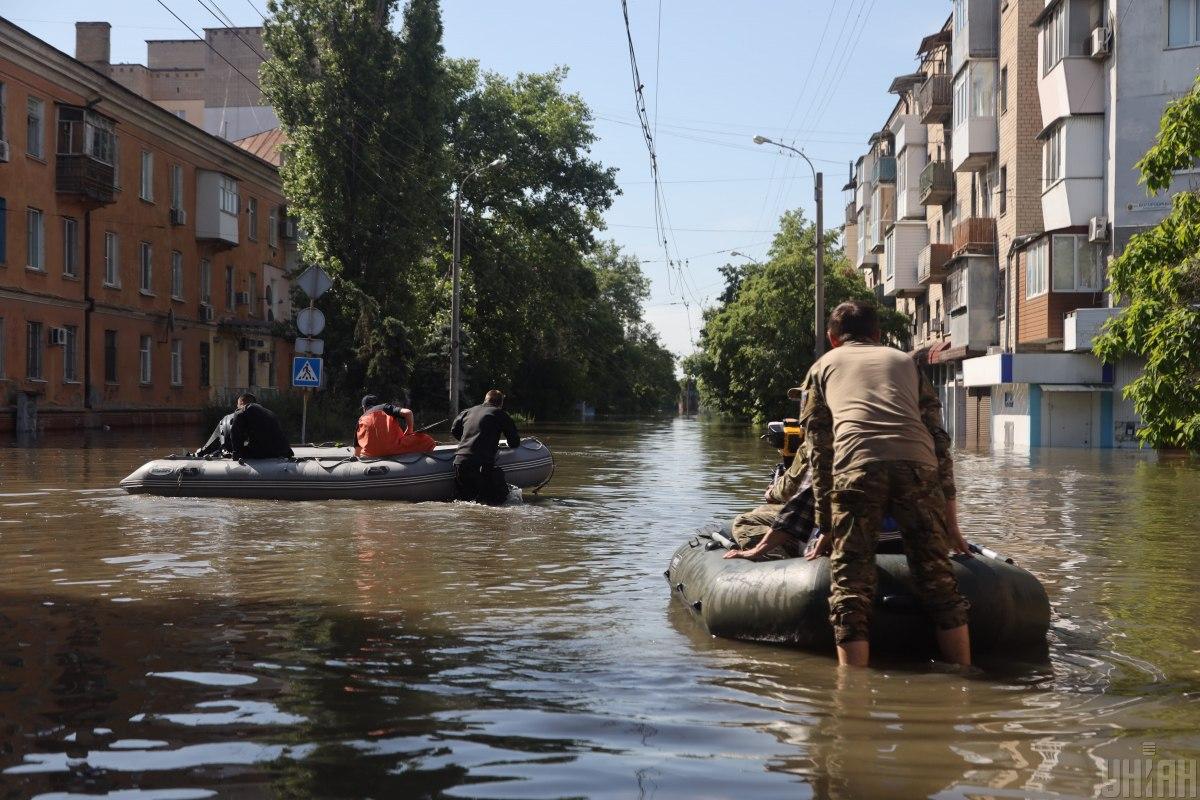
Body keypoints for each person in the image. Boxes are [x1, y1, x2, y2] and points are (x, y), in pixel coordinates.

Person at [784, 300, 971, 668]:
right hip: (919, 466)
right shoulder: (905, 363)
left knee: (851, 589)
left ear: (832, 338)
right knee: (939, 583)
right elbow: (939, 443)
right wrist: (951, 524)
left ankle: (852, 694)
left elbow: (819, 453)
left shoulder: (821, 368)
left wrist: (826, 524)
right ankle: (967, 677)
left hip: (857, 467)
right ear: (879, 334)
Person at [450, 389, 521, 505]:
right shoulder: (500, 414)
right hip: (481, 465)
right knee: (498, 501)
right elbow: (514, 442)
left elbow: (454, 430)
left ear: (485, 399)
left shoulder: (468, 411)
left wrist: (467, 441)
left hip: (460, 462)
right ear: (501, 403)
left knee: (465, 503)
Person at [355, 394, 437, 457]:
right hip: (393, 448)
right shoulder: (384, 407)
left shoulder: (360, 419)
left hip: (370, 453)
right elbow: (408, 413)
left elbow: (357, 451)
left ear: (364, 408)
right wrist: (409, 431)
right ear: (377, 404)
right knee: (426, 440)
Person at [226, 393, 293, 459]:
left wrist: (236, 453)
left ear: (242, 402)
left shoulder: (243, 410)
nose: (237, 407)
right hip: (284, 451)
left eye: (237, 405)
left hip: (263, 452)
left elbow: (236, 434)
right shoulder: (270, 413)